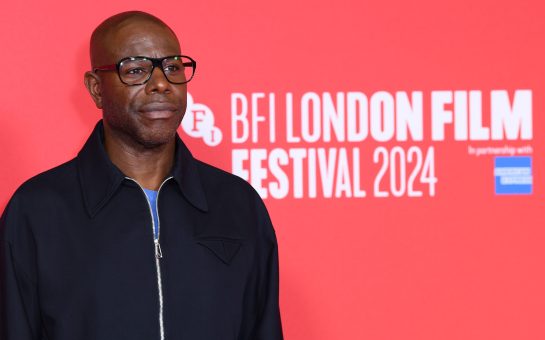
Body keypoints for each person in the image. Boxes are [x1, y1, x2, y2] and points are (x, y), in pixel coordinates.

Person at [0, 11, 283, 340]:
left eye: (173, 67)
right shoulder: (36, 212)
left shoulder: (238, 204)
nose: (161, 83)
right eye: (136, 70)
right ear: (96, 89)